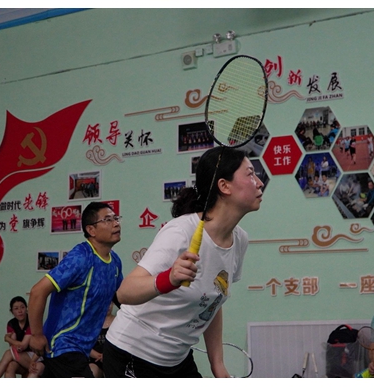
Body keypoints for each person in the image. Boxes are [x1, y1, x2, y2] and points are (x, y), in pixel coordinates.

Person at [102, 148, 263, 377]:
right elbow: (125, 293)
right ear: (224, 186)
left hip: (177, 358)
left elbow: (212, 302)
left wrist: (218, 364)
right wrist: (168, 279)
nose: (259, 183)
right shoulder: (180, 232)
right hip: (133, 352)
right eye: (250, 174)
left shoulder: (239, 240)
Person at [26, 202, 123, 378]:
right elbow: (37, 292)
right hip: (63, 345)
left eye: (116, 218)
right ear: (91, 230)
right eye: (108, 220)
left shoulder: (114, 262)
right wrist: (37, 335)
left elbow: (123, 298)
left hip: (81, 350)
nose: (116, 223)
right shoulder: (80, 258)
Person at [0, 296, 34, 377]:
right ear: (12, 311)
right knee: (10, 366)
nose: (20, 311)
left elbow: (23, 345)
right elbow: (14, 346)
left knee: (9, 353)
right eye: (16, 308)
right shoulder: (12, 323)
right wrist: (15, 345)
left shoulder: (31, 322)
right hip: (20, 356)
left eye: (22, 307)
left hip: (34, 358)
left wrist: (7, 339)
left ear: (26, 308)